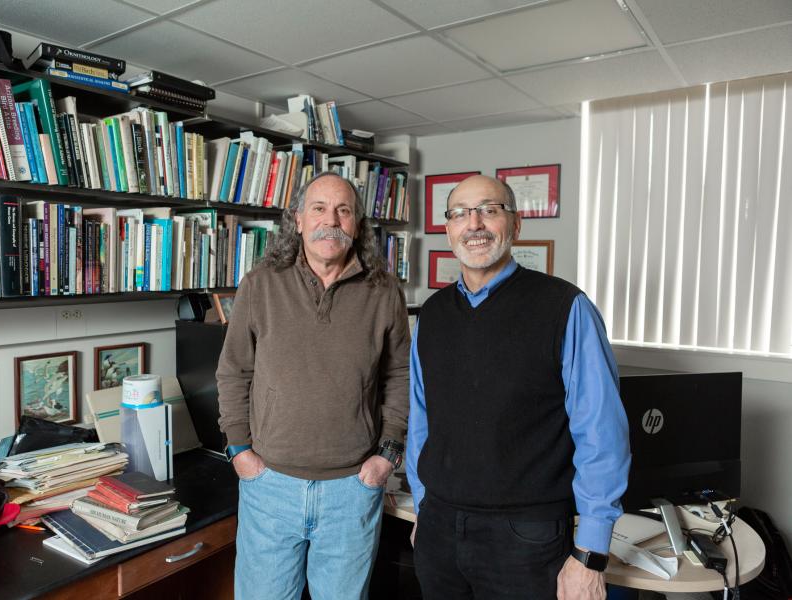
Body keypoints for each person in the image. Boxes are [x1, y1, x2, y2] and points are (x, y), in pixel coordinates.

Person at [406, 174, 630, 600]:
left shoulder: (566, 307)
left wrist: (590, 554)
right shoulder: (432, 314)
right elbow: (422, 418)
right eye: (460, 213)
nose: (474, 224)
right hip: (439, 529)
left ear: (516, 224)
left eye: (490, 210)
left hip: (527, 536)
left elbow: (601, 433)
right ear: (448, 227)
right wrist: (423, 506)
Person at [217, 172, 411, 600]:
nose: (331, 220)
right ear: (298, 220)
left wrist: (388, 454)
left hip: (352, 489)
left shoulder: (384, 291)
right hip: (270, 484)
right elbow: (234, 371)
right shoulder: (261, 284)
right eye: (319, 208)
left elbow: (399, 376)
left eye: (344, 211)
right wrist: (239, 450)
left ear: (357, 224)